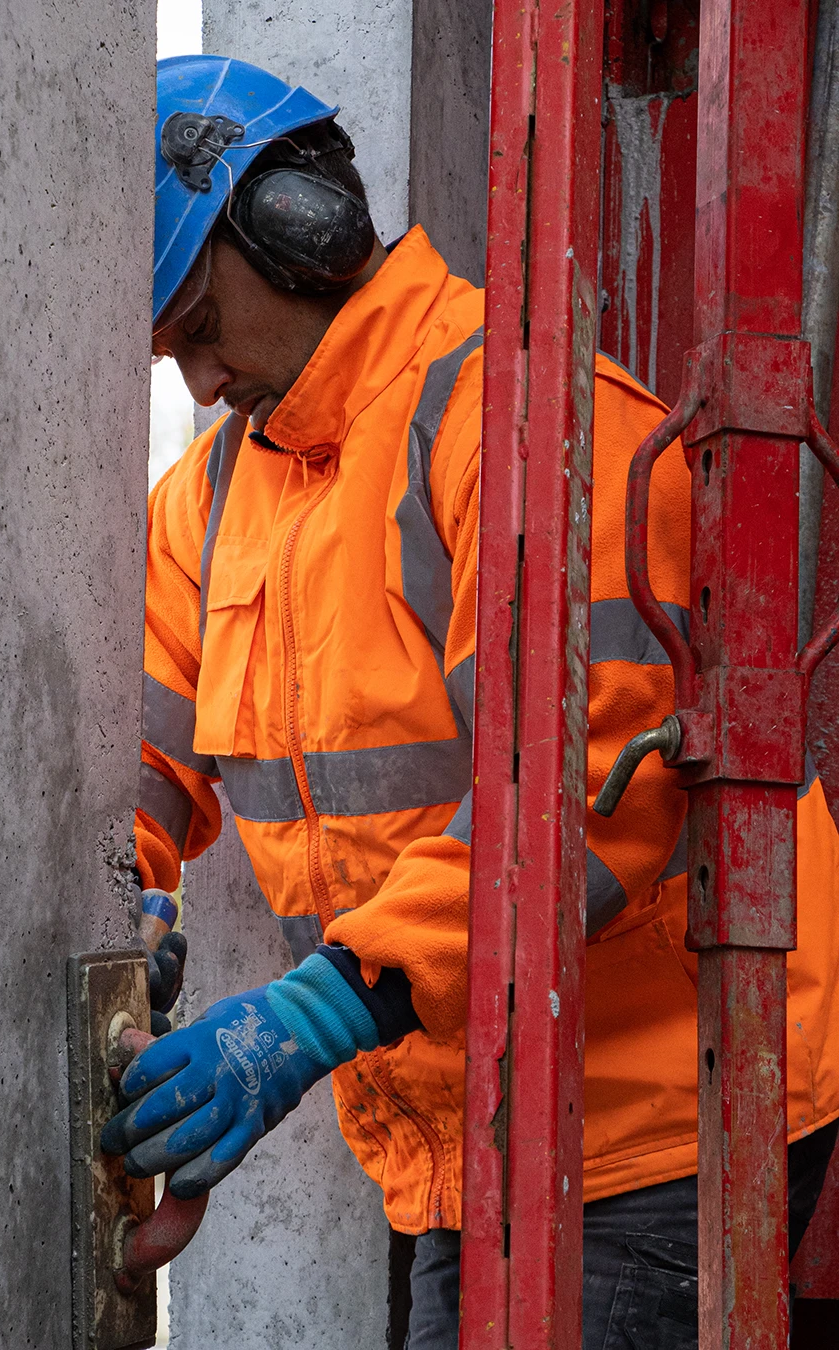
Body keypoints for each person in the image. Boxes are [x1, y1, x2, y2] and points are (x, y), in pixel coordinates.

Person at [102, 53, 839, 1347]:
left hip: (657, 1110)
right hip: (461, 1124)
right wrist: (132, 901)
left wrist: (318, 1007)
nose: (203, 385)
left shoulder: (520, 416)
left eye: (203, 330)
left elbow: (594, 787)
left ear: (298, 233)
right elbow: (143, 770)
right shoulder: (212, 502)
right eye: (173, 355)